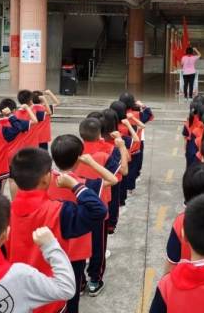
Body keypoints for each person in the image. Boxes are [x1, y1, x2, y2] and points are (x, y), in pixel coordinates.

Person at [6, 147, 107, 313]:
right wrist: (75, 185)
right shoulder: (59, 211)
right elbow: (98, 211)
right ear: (46, 178)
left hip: (19, 295)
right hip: (52, 298)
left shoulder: (4, 212)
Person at [49, 134, 117, 313]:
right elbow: (113, 179)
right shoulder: (84, 185)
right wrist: (92, 163)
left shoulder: (45, 180)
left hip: (50, 245)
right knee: (72, 293)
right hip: (76, 249)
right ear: (79, 157)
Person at [75, 117, 122, 296]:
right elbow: (116, 176)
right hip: (99, 205)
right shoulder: (106, 153)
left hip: (77, 204)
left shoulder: (75, 153)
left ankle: (79, 282)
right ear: (99, 134)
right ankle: (95, 279)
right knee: (98, 246)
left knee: (78, 244)